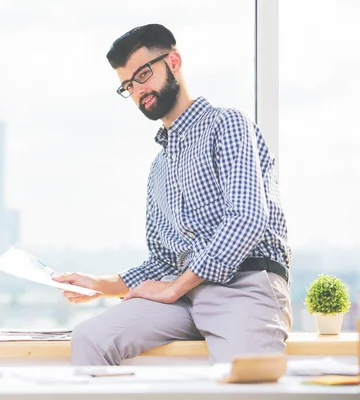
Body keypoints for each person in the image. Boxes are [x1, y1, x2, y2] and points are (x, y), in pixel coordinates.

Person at [52, 23, 292, 365]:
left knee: (243, 386)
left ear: (174, 62)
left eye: (143, 74)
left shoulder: (227, 124)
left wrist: (174, 287)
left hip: (244, 286)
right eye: (128, 85)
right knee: (91, 338)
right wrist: (99, 284)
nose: (138, 90)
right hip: (182, 298)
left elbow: (247, 218)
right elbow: (164, 259)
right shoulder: (159, 168)